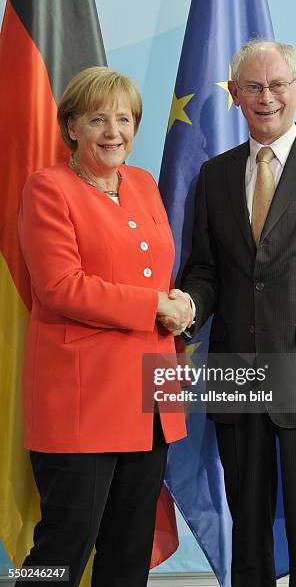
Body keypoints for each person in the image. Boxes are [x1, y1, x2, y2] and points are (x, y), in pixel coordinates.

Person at [160, 41, 296, 586]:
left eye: (277, 85)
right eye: (253, 88)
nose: (266, 98)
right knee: (248, 534)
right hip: (238, 376)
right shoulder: (213, 175)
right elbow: (207, 270)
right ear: (234, 96)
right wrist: (188, 305)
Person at [17, 66, 192, 586]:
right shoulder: (48, 188)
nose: (114, 132)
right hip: (82, 404)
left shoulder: (141, 183)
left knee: (127, 551)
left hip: (149, 400)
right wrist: (155, 304)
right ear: (71, 127)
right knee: (61, 550)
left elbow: (155, 269)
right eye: (98, 119)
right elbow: (61, 286)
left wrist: (176, 299)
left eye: (124, 119)